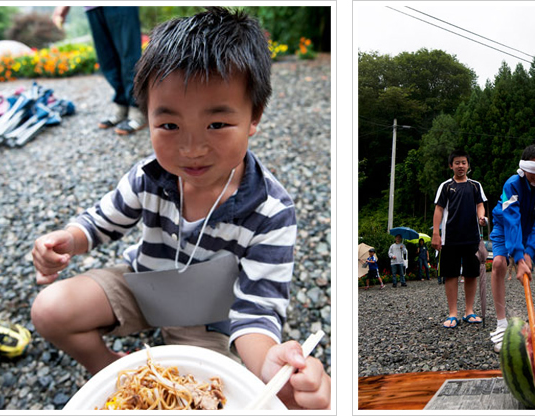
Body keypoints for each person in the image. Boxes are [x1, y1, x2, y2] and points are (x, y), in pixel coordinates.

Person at [30, 8, 329, 409]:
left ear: (254, 116)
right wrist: (66, 240)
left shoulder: (270, 210)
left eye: (217, 124)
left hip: (204, 321)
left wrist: (269, 366)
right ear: (148, 118)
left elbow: (256, 313)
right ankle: (113, 373)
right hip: (144, 284)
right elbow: (99, 224)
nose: (191, 149)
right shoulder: (148, 177)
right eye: (169, 126)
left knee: (214, 399)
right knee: (50, 308)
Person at [488, 145, 535, 352]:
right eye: (534, 170)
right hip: (505, 225)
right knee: (499, 263)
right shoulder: (512, 184)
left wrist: (529, 254)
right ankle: (502, 324)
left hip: (532, 229)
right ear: (523, 167)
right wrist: (519, 259)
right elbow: (511, 219)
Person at [52, 6, 146, 135]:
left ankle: (137, 109)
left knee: (129, 55)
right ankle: (122, 106)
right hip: (92, 7)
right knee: (107, 60)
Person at [432, 149, 487, 329]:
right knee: (451, 274)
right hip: (450, 238)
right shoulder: (446, 186)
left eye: (464, 162)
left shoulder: (475, 185)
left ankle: (469, 311)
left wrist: (481, 217)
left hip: (472, 237)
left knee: (471, 274)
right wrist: (436, 234)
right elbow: (439, 209)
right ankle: (452, 313)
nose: (461, 166)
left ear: (468, 165)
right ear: (451, 166)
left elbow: (480, 204)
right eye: (457, 163)